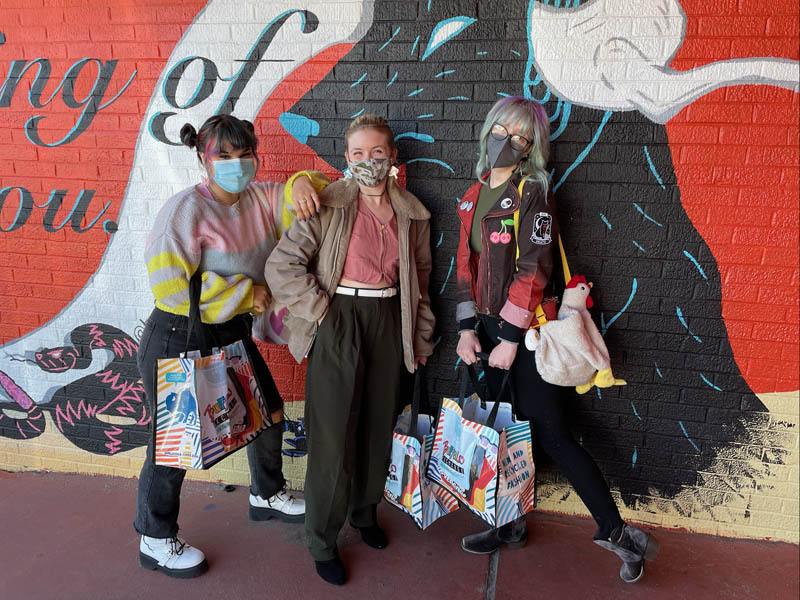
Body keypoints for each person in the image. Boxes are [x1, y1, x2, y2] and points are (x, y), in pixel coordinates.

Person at [454, 97, 659, 584]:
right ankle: (508, 525)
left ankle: (620, 535)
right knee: (503, 433)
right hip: (485, 332)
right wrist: (466, 329)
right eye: (501, 130)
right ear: (487, 130)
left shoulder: (533, 192)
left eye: (519, 136)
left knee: (553, 435)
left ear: (531, 148)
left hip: (525, 336)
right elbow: (464, 267)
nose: (506, 141)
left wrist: (509, 338)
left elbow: (534, 270)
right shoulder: (473, 194)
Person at [134, 114, 325, 578]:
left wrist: (302, 179)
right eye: (224, 155)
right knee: (174, 444)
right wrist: (244, 293)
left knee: (269, 411)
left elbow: (305, 192)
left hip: (230, 332)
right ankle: (155, 538)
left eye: (245, 154)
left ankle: (266, 493)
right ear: (204, 158)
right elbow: (170, 288)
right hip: (178, 334)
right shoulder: (184, 211)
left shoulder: (258, 199)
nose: (237, 164)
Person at [266, 114, 435, 586]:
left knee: (378, 427)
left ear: (392, 157)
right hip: (338, 317)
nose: (368, 161)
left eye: (377, 153)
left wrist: (420, 338)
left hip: (389, 320)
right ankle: (321, 539)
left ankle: (364, 513)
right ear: (346, 158)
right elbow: (281, 265)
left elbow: (420, 280)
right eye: (358, 153)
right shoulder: (328, 204)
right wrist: (321, 310)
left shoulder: (413, 214)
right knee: (333, 435)